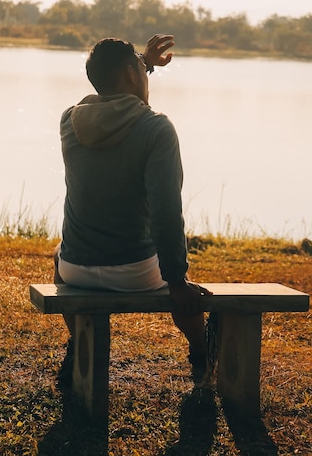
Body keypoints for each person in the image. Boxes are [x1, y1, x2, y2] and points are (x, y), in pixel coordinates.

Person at [54, 34, 213, 387]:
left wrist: (143, 64)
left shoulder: (69, 121)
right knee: (180, 280)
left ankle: (77, 343)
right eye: (140, 69)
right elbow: (166, 212)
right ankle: (201, 355)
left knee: (57, 254)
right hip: (136, 271)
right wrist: (177, 279)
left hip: (75, 268)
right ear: (129, 74)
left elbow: (114, 97)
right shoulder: (156, 129)